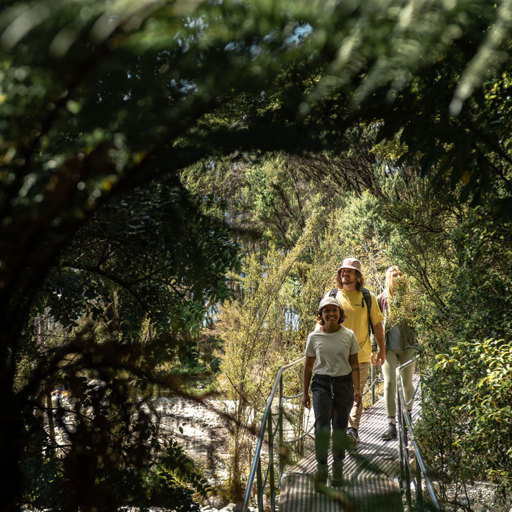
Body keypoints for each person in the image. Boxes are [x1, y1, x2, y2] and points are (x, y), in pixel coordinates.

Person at [302, 296, 361, 488]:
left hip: (344, 384)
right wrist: (305, 392)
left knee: (340, 426)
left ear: (340, 314)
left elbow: (355, 364)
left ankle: (338, 468)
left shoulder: (349, 335)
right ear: (321, 315)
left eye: (334, 310)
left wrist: (357, 389)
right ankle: (321, 467)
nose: (331, 314)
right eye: (326, 311)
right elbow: (308, 367)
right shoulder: (314, 337)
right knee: (321, 426)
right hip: (321, 384)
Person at [328, 258, 386, 445]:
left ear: (357, 276)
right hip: (336, 356)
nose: (345, 274)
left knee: (357, 394)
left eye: (350, 272)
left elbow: (377, 325)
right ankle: (340, 429)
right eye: (343, 271)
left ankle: (353, 430)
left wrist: (381, 350)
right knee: (337, 395)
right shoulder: (332, 296)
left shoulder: (368, 298)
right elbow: (320, 324)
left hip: (360, 355)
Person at [378, 266, 417, 440]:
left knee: (407, 383)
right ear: (389, 278)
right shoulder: (382, 299)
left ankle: (407, 419)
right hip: (388, 348)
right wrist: (375, 348)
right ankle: (391, 424)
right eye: (395, 275)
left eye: (401, 274)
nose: (399, 277)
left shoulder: (411, 299)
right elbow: (375, 326)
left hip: (408, 346)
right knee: (389, 383)